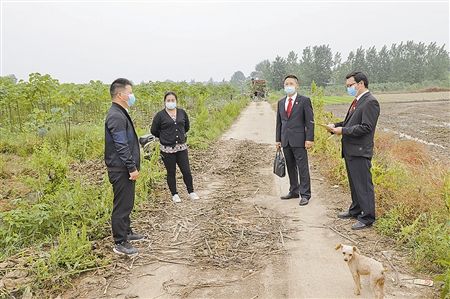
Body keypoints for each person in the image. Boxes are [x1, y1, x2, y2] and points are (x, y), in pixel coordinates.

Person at [326, 71, 380, 230]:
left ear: (361, 84)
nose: (348, 88)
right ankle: (356, 210)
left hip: (360, 150)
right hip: (351, 150)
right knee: (355, 184)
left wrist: (343, 130)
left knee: (363, 185)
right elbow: (350, 122)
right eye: (348, 86)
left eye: (351, 85)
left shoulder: (370, 102)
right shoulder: (357, 101)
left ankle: (368, 217)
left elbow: (366, 127)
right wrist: (335, 126)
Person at [105, 78, 144, 256]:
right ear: (120, 95)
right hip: (121, 168)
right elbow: (121, 145)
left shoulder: (120, 112)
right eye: (130, 92)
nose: (132, 95)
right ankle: (120, 242)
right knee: (122, 205)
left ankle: (127, 231)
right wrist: (131, 167)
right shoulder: (116, 115)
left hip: (124, 167)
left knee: (128, 202)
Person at [151, 91, 199, 203]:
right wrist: (164, 137)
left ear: (176, 101)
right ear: (164, 102)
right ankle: (174, 194)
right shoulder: (160, 115)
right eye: (168, 100)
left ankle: (191, 191)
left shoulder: (182, 113)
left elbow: (186, 127)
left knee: (186, 170)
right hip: (167, 150)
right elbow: (154, 130)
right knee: (171, 172)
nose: (171, 102)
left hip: (181, 148)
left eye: (173, 100)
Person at [276, 75, 314, 206]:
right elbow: (279, 123)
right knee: (290, 167)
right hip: (285, 140)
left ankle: (305, 194)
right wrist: (278, 140)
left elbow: (310, 122)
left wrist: (309, 138)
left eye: (291, 83)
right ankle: (294, 190)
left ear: (297, 85)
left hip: (299, 140)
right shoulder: (281, 102)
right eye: (286, 84)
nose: (288, 86)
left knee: (302, 168)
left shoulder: (304, 101)